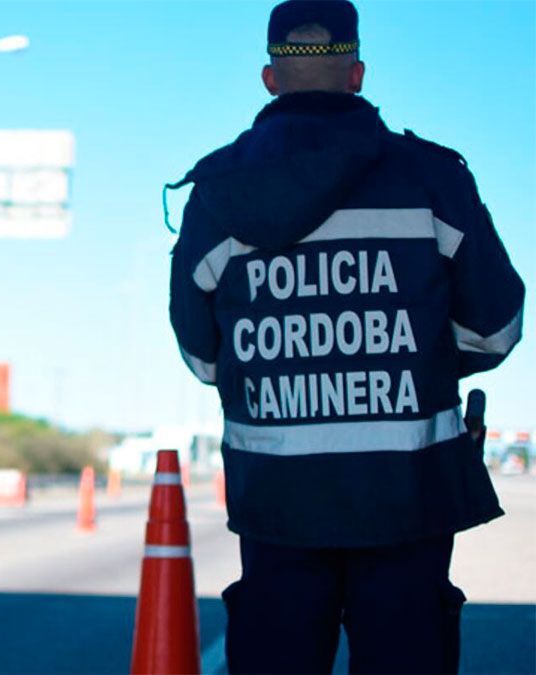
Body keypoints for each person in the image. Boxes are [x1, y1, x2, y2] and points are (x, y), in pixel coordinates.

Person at [167, 1, 524, 672]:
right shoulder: (433, 177)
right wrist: (416, 360)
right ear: (357, 74)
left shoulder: (218, 191)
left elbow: (201, 353)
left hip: (276, 495)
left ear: (270, 80)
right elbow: (495, 328)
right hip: (407, 493)